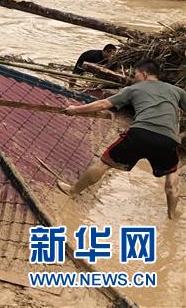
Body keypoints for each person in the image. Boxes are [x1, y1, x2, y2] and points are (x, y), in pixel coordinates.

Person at [58, 60, 185, 220]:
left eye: (136, 74)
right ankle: (172, 215)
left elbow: (103, 104)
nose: (134, 77)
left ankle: (73, 191)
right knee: (172, 175)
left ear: (144, 74)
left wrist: (75, 110)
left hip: (140, 133)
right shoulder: (177, 91)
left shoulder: (133, 89)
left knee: (104, 163)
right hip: (168, 140)